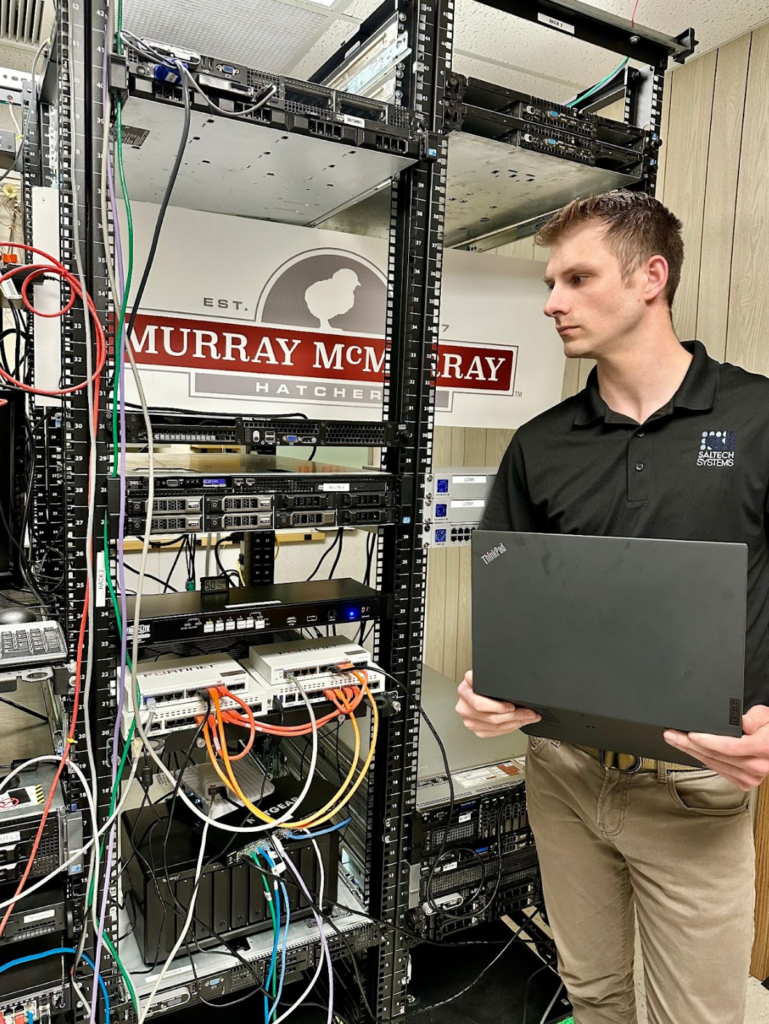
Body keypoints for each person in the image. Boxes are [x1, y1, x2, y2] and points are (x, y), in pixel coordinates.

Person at [455, 190, 769, 1024]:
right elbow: (513, 599)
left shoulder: (758, 419)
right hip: (561, 774)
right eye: (549, 281)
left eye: (576, 277)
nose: (551, 301)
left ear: (649, 279)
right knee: (595, 995)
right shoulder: (540, 444)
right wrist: (488, 686)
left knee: (695, 1015)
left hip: (695, 783)